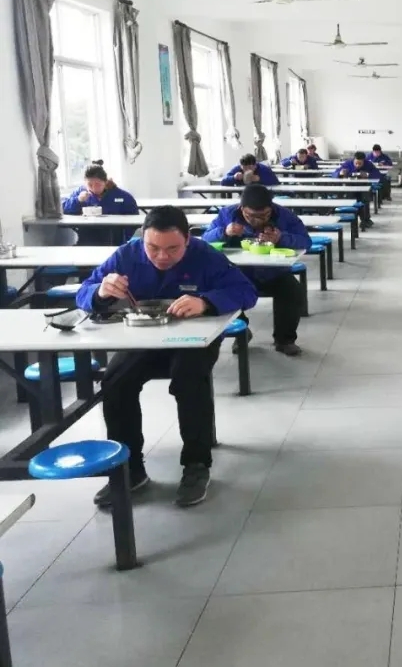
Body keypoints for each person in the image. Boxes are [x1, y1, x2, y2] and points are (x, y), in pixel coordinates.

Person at [75, 207, 258, 508]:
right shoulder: (126, 255)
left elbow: (245, 291)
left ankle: (197, 465)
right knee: (116, 381)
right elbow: (84, 293)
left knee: (190, 379)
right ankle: (129, 469)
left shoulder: (205, 255)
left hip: (194, 340)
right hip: (143, 339)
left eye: (172, 249)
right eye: (153, 248)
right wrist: (100, 292)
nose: (162, 256)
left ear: (188, 239)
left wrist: (206, 301)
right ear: (143, 240)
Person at [202, 185, 312, 357]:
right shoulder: (227, 214)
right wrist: (224, 232)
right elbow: (205, 239)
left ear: (271, 208)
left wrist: (281, 237)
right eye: (251, 216)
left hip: (274, 273)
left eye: (264, 216)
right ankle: (242, 332)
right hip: (238, 273)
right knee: (220, 292)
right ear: (241, 208)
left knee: (292, 290)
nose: (257, 221)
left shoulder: (284, 215)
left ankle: (285, 340)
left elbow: (306, 241)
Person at [62, 162, 140, 245]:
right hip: (86, 241)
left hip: (113, 242)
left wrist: (124, 236)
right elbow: (64, 208)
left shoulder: (120, 195)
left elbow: (134, 216)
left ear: (105, 182)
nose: (94, 188)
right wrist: (78, 200)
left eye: (98, 184)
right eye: (90, 185)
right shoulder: (80, 192)